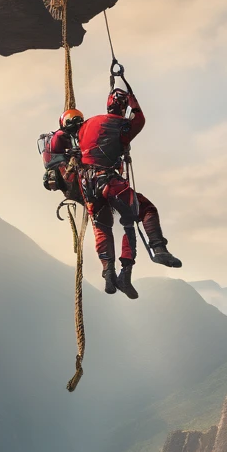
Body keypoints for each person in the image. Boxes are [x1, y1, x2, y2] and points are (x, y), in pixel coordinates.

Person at [76, 86, 181, 299]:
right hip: (110, 180)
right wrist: (133, 99)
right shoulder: (122, 125)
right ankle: (157, 249)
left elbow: (80, 143)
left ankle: (108, 272)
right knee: (142, 211)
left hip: (88, 184)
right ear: (123, 108)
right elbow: (140, 119)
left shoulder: (87, 124)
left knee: (103, 226)